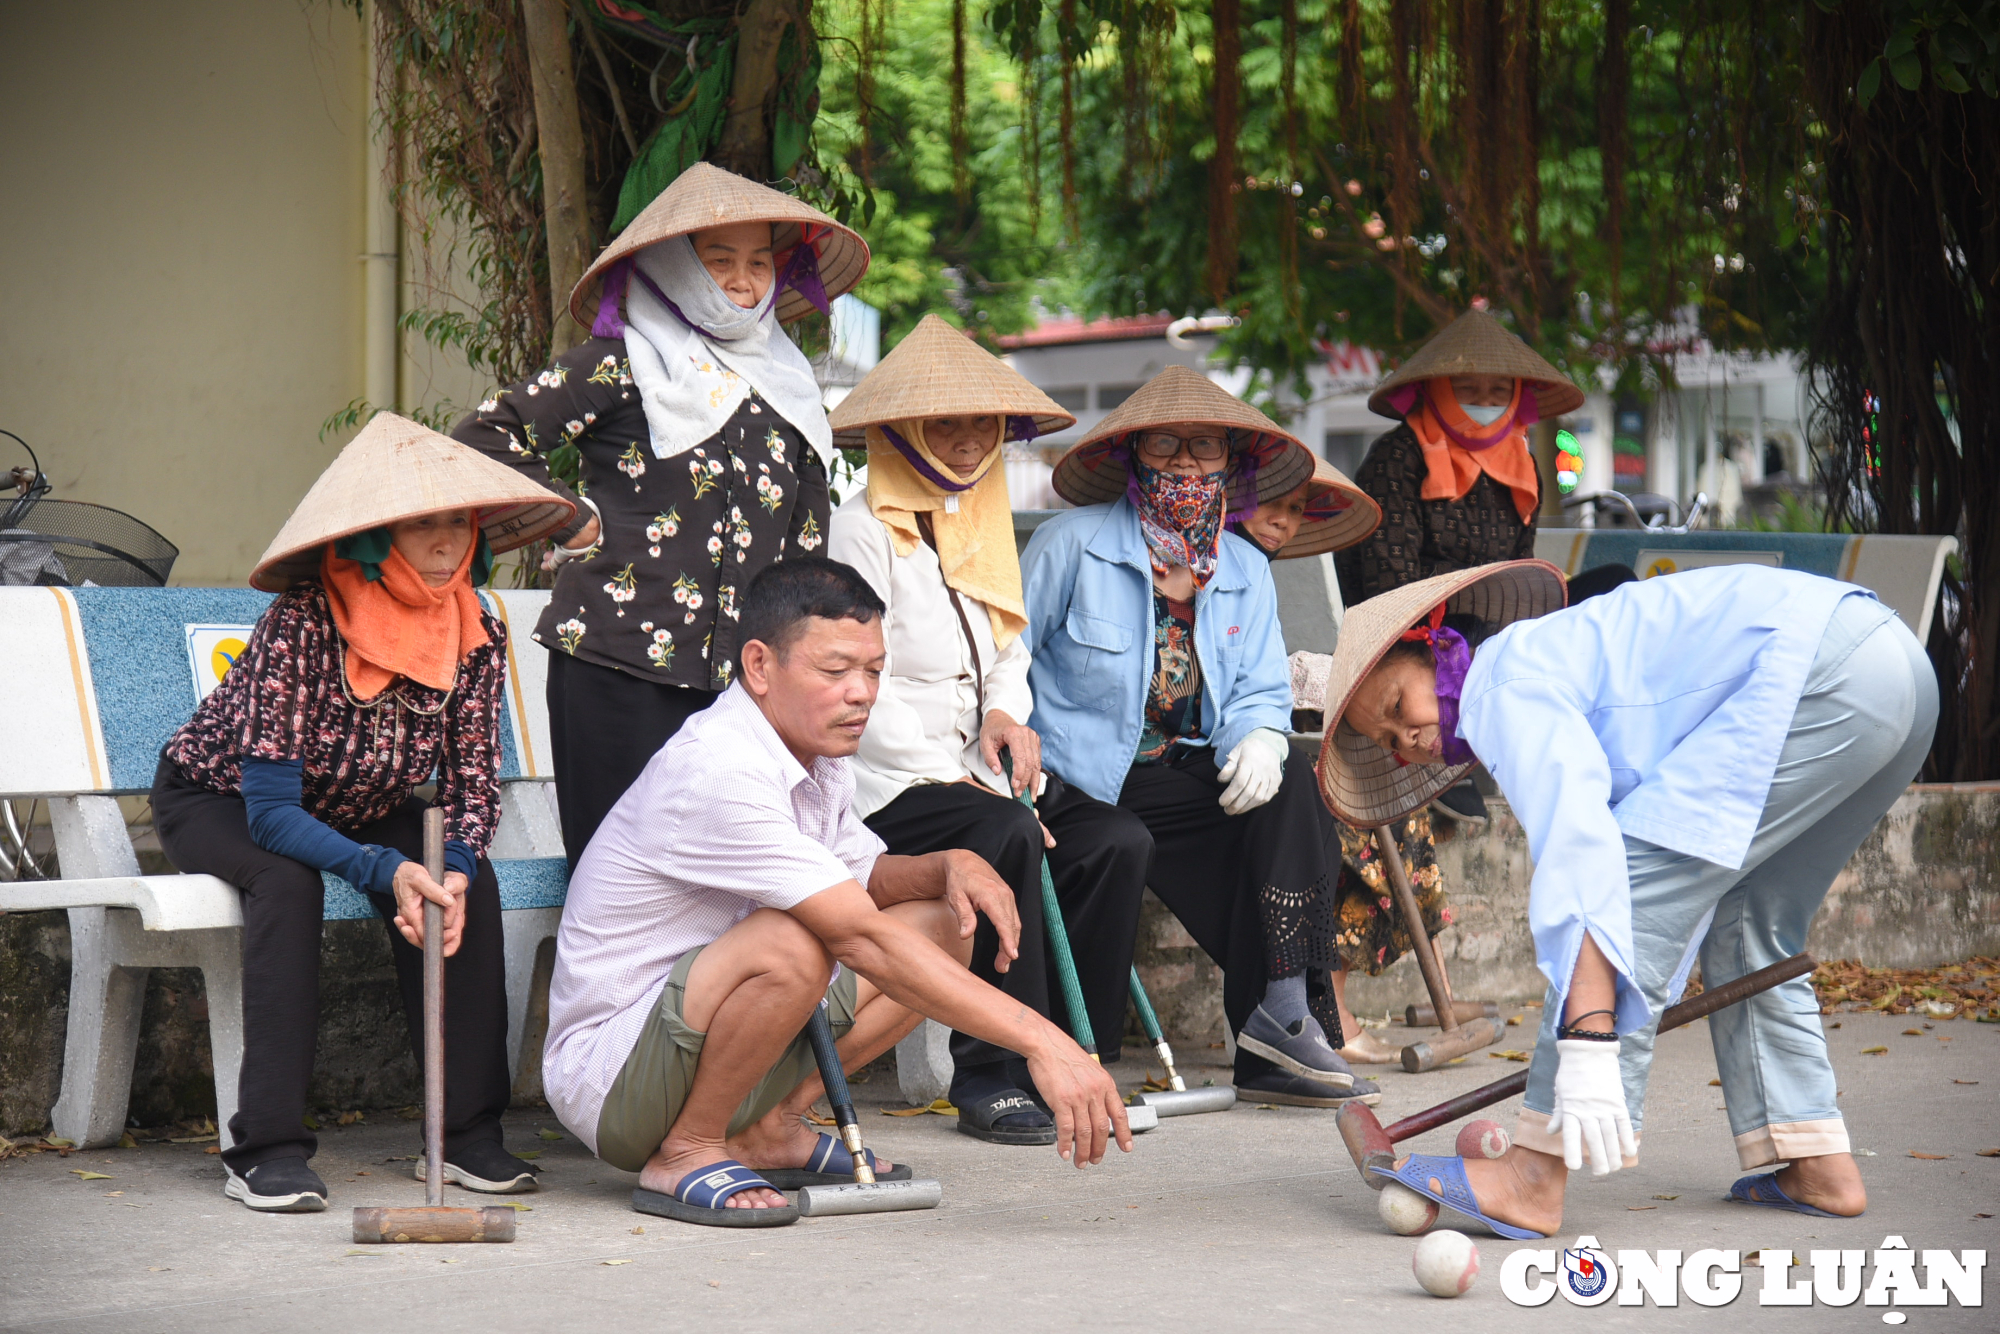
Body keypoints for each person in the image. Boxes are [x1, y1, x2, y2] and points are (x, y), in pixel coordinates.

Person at [1322, 559, 1935, 1237]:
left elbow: (1586, 852)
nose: (1403, 737)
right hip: (1893, 666)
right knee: (1750, 919)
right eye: (1387, 741)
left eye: (1394, 707)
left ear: (1435, 648)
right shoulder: (1549, 660)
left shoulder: (1500, 683)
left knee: (1624, 890)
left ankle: (1532, 1175)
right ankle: (1813, 1157)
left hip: (1822, 672)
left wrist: (1587, 1039)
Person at [542, 558, 1131, 1227]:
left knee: (945, 923)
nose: (862, 694)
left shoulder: (815, 759)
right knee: (794, 940)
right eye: (835, 671)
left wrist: (947, 867)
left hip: (702, 1046)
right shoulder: (718, 768)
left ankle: (770, 1128)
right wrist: (1042, 1041)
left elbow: (867, 878)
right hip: (614, 1078)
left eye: (875, 671)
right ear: (760, 667)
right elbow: (858, 931)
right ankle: (687, 1149)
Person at [150, 413, 575, 1212]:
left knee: (464, 885)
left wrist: (446, 865)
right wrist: (385, 866)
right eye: (423, 522)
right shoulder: (306, 620)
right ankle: (265, 1148)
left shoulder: (478, 629)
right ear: (382, 535)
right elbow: (273, 814)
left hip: (362, 805)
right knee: (288, 883)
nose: (447, 540)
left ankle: (466, 1136)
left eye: (458, 520)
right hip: (225, 800)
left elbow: (475, 783)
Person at [453, 162, 870, 866]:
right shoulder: (619, 362)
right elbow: (483, 438)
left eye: (760, 262)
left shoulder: (791, 390)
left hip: (744, 690)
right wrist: (568, 517)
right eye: (719, 262)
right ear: (678, 269)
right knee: (614, 878)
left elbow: (807, 559)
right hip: (615, 672)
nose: (742, 281)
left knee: (733, 889)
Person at [826, 315, 1152, 1144]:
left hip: (985, 767)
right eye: (948, 423)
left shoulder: (982, 514)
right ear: (903, 429)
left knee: (1115, 839)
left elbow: (1008, 644)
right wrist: (950, 772)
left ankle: (1081, 1056)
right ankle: (991, 1071)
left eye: (983, 424)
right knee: (1006, 830)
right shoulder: (861, 527)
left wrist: (1007, 714)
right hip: (893, 780)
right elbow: (860, 682)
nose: (970, 442)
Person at [1023, 366, 1382, 1108]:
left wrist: (1261, 738)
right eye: (1166, 444)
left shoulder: (1246, 567)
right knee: (1119, 841)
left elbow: (1257, 689)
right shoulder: (1071, 545)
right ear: (1134, 456)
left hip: (1180, 771)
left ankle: (1279, 1015)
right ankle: (1075, 1048)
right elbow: (1004, 664)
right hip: (1077, 776)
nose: (1186, 461)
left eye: (1205, 447)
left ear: (1232, 464)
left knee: (1297, 787)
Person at [1336, 306, 1585, 832]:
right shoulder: (1397, 456)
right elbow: (1388, 583)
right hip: (1412, 631)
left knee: (1604, 592)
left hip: (1494, 622)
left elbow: (1522, 569)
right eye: (1468, 387)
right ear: (1436, 390)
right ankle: (1457, 751)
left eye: (1499, 390)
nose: (1485, 401)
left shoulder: (1524, 465)